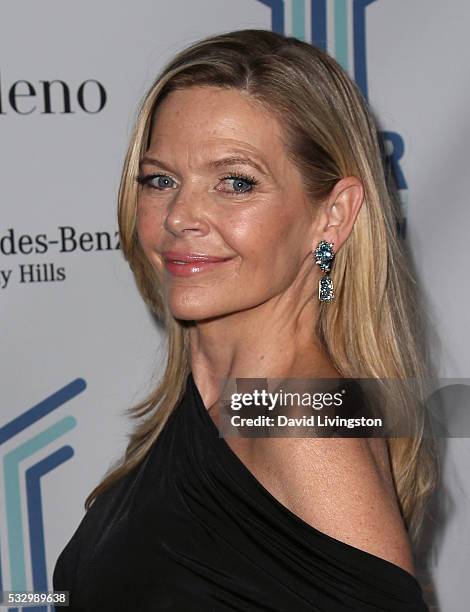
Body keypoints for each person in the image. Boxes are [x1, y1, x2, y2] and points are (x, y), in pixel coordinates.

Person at [53, 29, 438, 610]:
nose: (182, 215)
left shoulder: (301, 422)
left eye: (235, 182)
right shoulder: (218, 404)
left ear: (332, 215)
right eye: (162, 180)